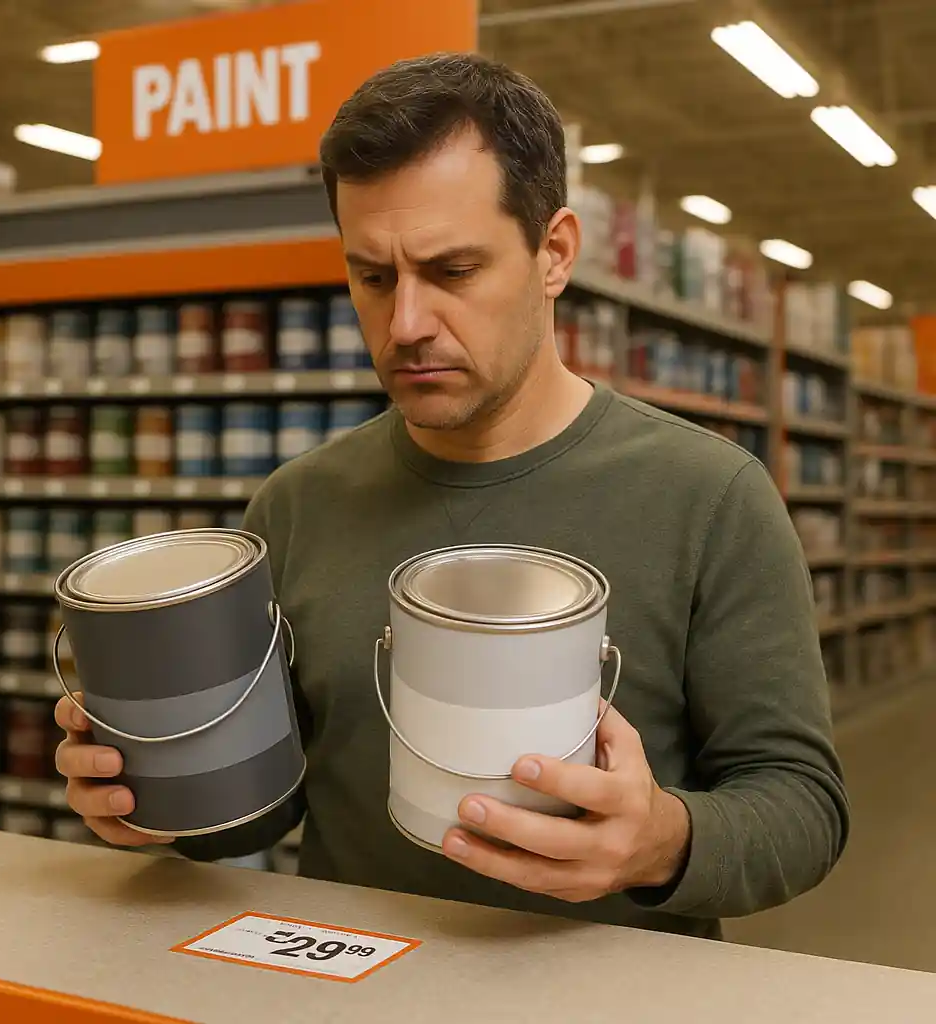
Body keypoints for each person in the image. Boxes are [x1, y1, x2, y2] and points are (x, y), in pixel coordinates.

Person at [55, 52, 850, 940]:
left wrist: (663, 840)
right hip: (351, 989)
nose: (406, 325)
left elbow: (804, 808)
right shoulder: (296, 505)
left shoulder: (711, 498)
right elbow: (266, 813)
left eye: (454, 271)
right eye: (374, 277)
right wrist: (157, 797)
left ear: (554, 254)